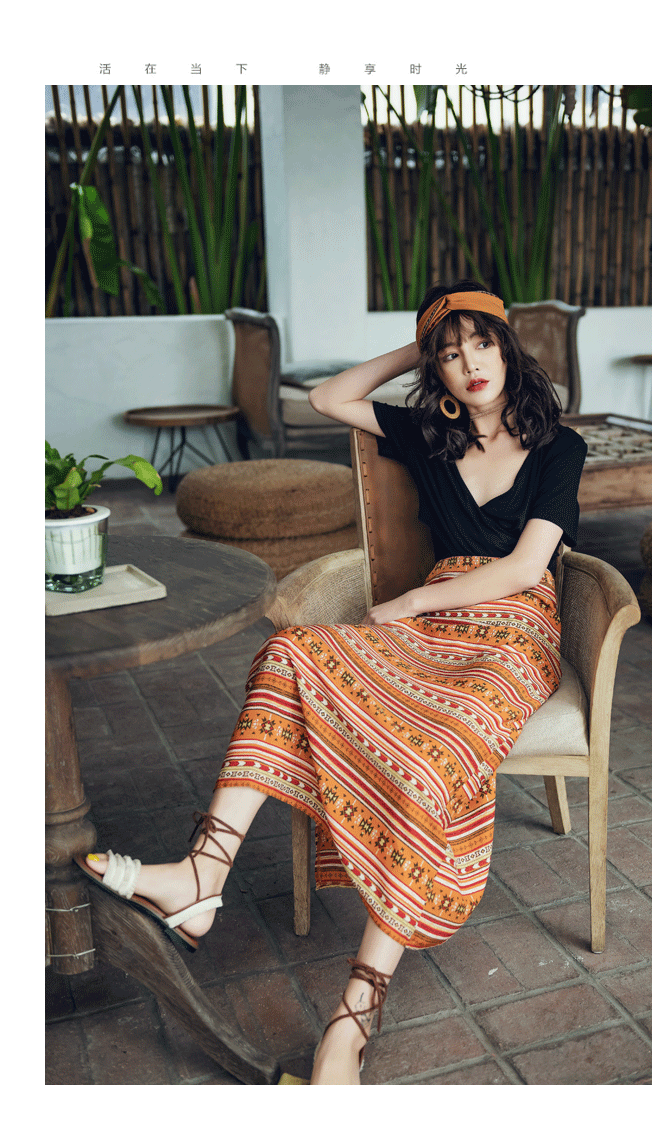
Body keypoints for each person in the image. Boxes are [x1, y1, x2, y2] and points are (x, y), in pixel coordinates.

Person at [78, 280, 587, 1085]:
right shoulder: (427, 432)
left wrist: (410, 599)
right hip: (431, 630)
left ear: (507, 346)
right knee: (291, 652)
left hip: (513, 629)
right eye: (450, 353)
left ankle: (353, 1016)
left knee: (436, 753)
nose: (469, 363)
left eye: (481, 342)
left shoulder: (559, 446)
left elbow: (528, 566)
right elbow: (327, 398)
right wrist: (418, 346)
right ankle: (204, 873)